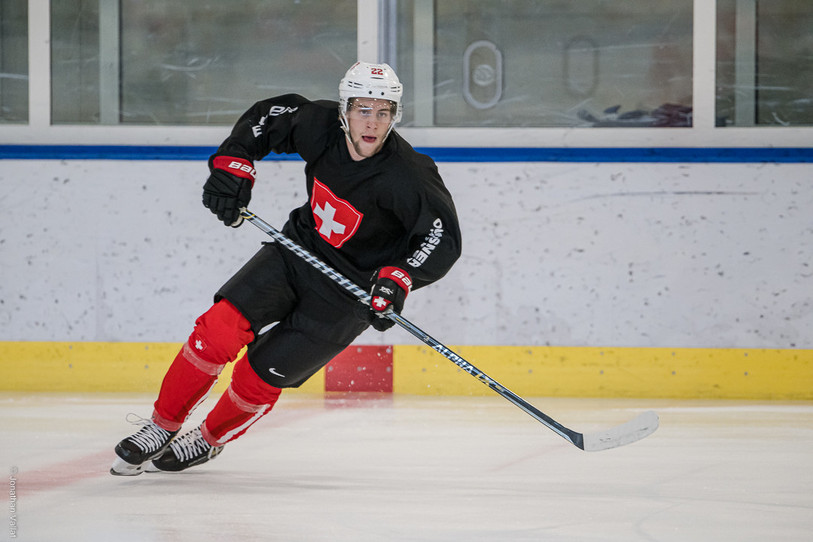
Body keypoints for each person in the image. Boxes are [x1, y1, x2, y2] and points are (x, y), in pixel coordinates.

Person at [110, 61, 462, 475]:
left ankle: (207, 440)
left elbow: (441, 240)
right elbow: (266, 117)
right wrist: (234, 163)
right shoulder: (319, 126)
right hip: (296, 254)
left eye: (384, 111)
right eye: (363, 109)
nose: (373, 122)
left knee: (258, 377)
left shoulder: (410, 175)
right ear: (345, 110)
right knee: (218, 330)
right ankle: (160, 426)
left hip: (347, 296)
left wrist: (396, 280)